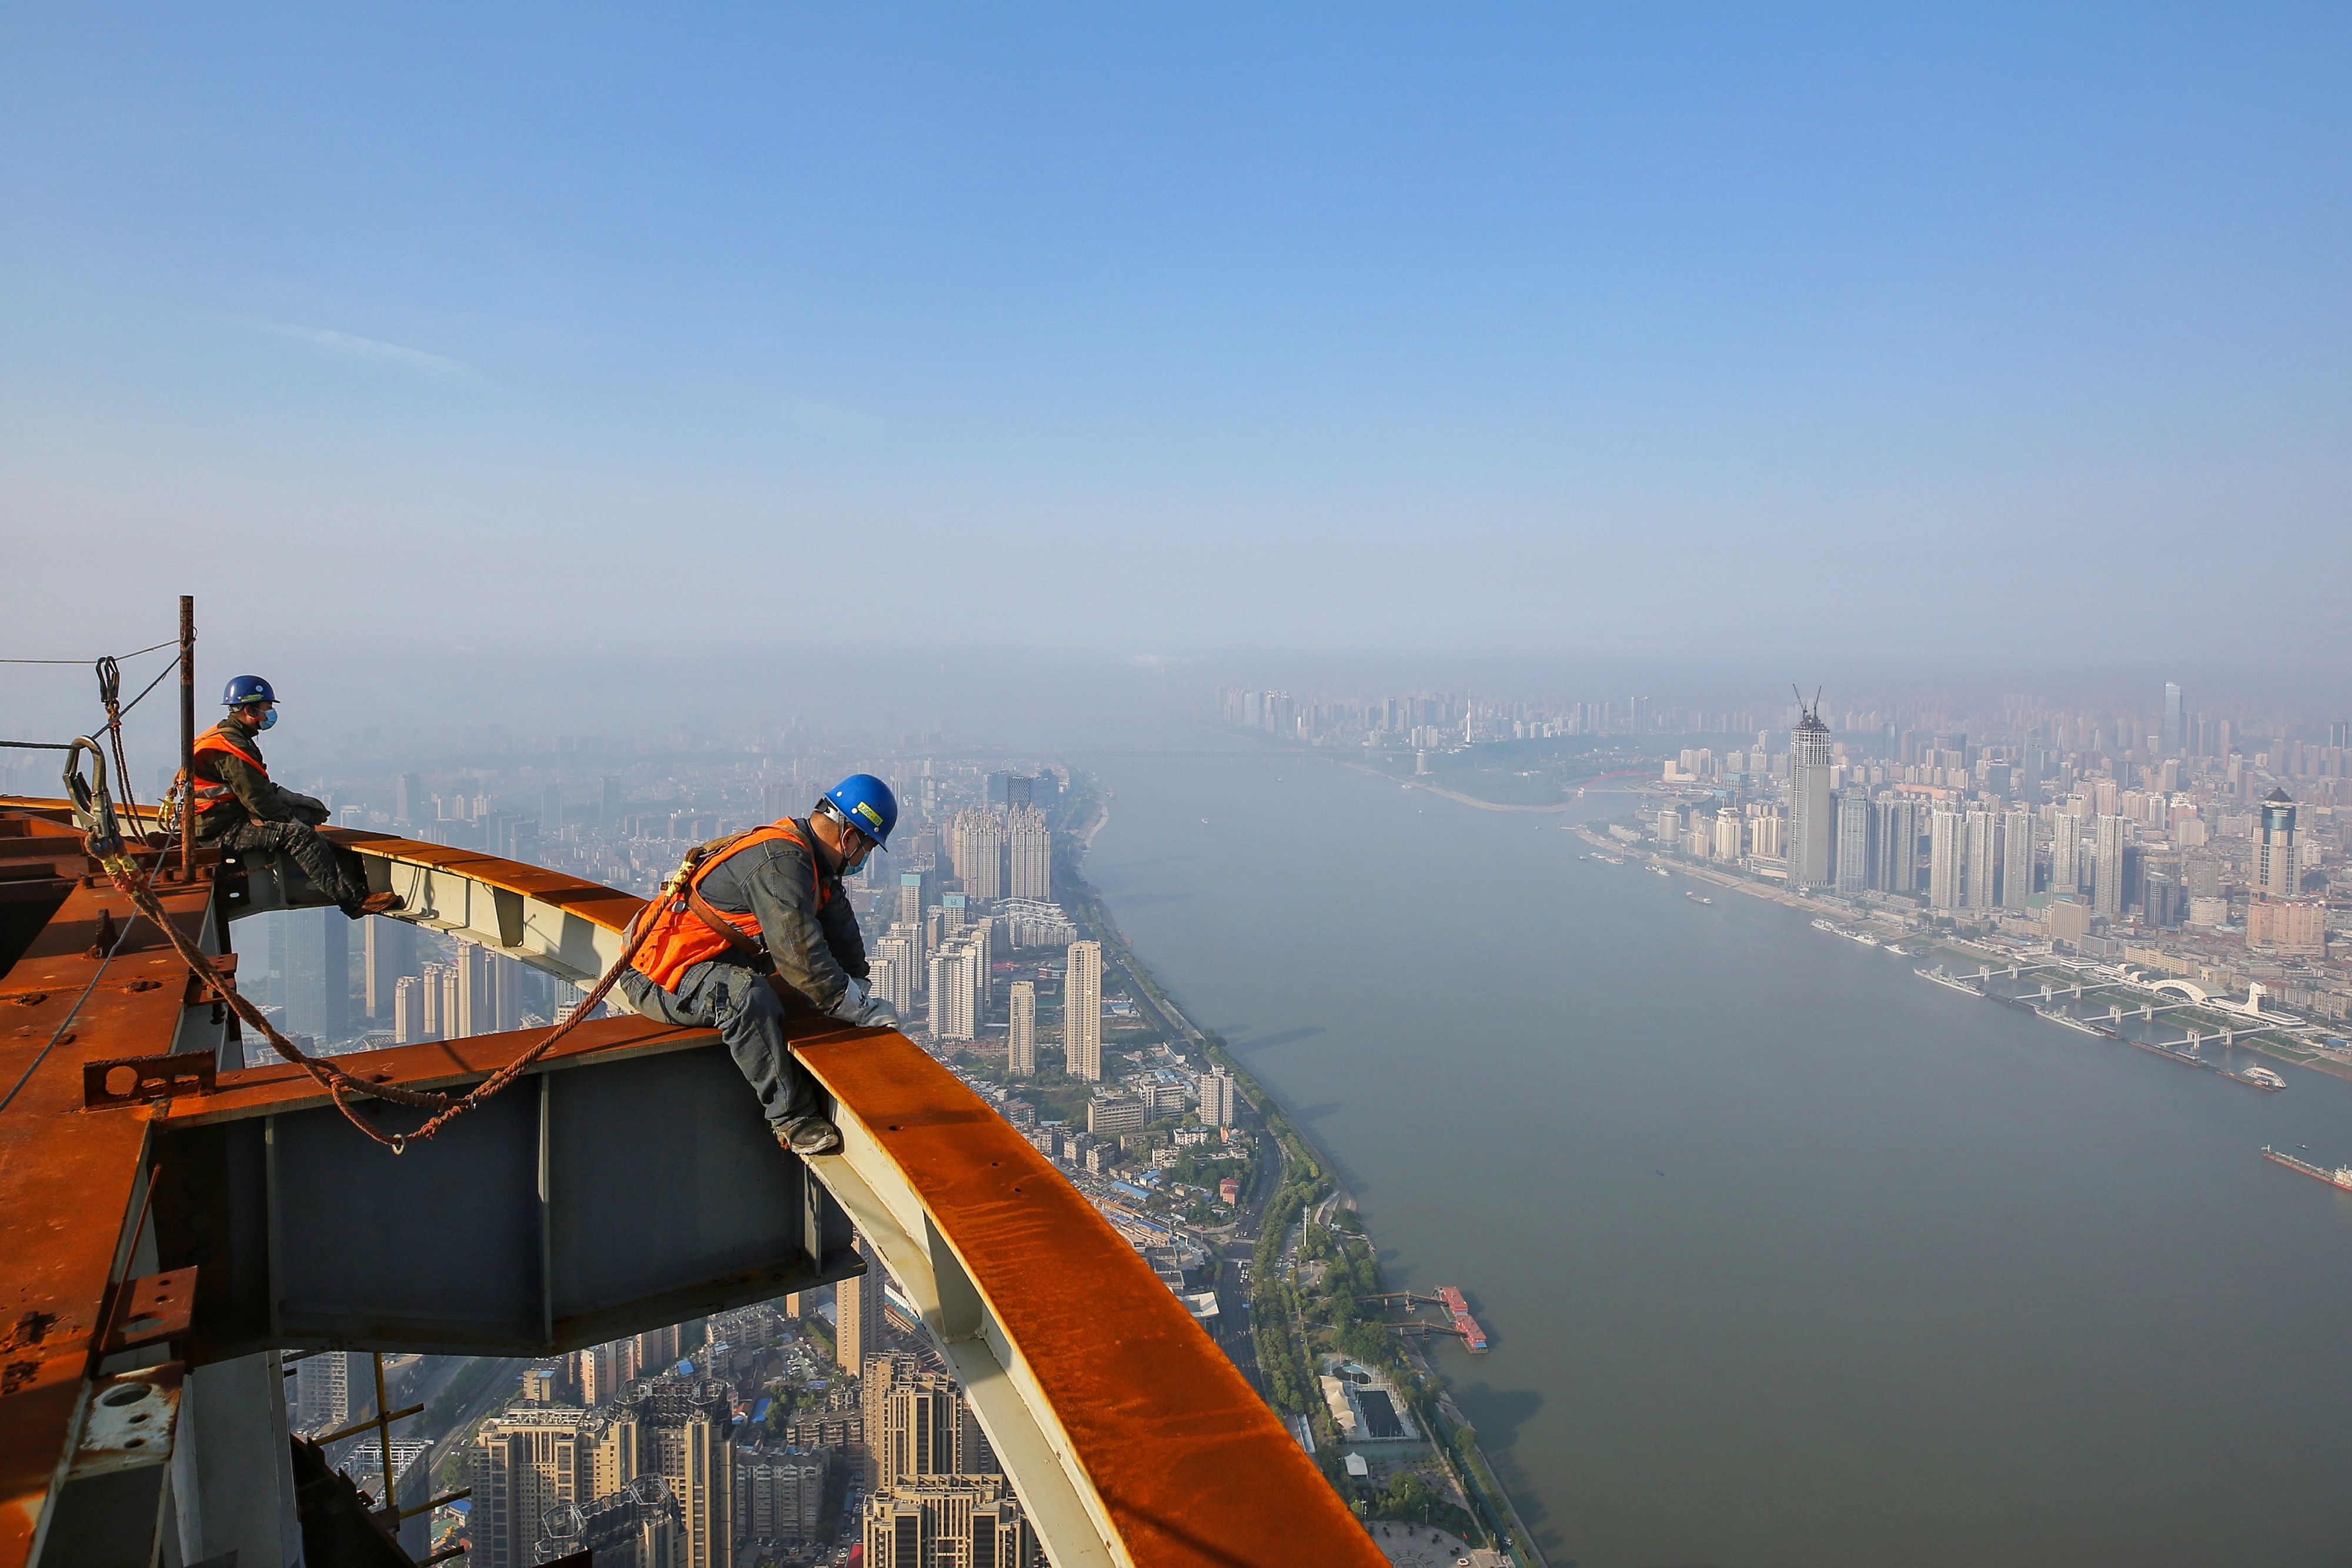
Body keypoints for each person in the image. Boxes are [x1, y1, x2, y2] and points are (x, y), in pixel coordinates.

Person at [619, 773, 902, 1154]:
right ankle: (793, 1118)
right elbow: (800, 957)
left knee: (782, 993)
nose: (863, 859)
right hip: (657, 975)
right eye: (866, 847)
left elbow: (841, 930)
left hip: (700, 962)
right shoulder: (783, 863)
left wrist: (860, 990)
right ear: (849, 837)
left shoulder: (811, 862)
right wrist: (856, 1007)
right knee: (745, 997)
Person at [185, 676, 393, 920]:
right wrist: (291, 822)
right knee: (300, 837)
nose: (270, 714)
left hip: (222, 818)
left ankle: (327, 873)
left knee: (303, 817)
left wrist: (292, 800)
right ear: (250, 710)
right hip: (219, 830)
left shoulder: (227, 736)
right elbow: (257, 800)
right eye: (267, 708)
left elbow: (255, 786)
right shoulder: (232, 748)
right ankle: (354, 901)